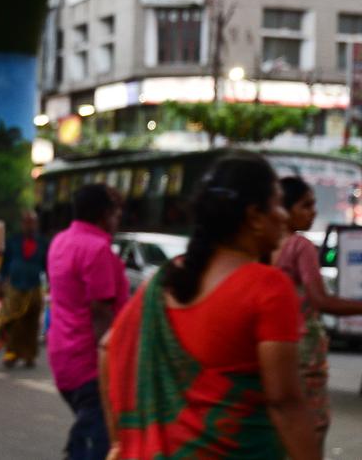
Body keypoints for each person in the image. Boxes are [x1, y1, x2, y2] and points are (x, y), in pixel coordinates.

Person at [103, 154, 320, 459]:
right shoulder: (268, 287)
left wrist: (119, 441)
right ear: (255, 216)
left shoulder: (164, 280)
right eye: (278, 204)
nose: (284, 216)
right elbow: (285, 404)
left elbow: (108, 349)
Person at [274, 176, 362, 452]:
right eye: (306, 205)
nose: (312, 212)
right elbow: (321, 300)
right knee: (313, 422)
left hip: (269, 346)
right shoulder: (300, 246)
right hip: (303, 349)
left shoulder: (260, 246)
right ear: (284, 210)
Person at [46, 183, 128, 460]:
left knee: (91, 430)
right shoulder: (97, 249)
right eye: (116, 213)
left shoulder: (60, 242)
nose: (118, 220)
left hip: (62, 358)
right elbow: (101, 314)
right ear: (105, 215)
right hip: (89, 365)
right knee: (99, 442)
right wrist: (114, 367)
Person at [0, 209, 47, 368]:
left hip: (34, 287)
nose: (30, 226)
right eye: (27, 222)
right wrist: (0, 281)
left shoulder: (43, 243)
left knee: (31, 323)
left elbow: (48, 267)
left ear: (37, 224)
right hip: (15, 287)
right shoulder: (13, 242)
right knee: (13, 322)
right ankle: (11, 354)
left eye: (32, 222)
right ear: (22, 224)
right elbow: (4, 265)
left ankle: (29, 356)